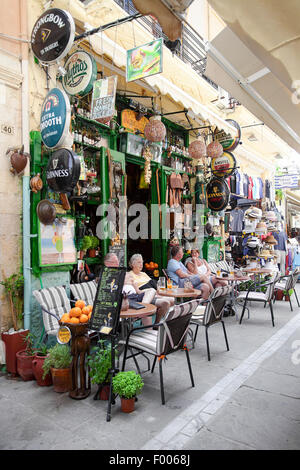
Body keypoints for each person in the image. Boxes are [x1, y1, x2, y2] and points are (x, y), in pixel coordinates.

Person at [103, 253, 156, 326]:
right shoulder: (106, 274)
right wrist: (123, 281)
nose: (118, 264)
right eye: (115, 262)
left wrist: (150, 293)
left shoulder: (126, 274)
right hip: (125, 299)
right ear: (107, 263)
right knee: (147, 313)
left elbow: (138, 291)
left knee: (152, 290)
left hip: (136, 296)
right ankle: (143, 310)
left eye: (118, 261)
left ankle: (144, 307)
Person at [128, 253, 175, 323]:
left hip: (153, 293)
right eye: (139, 262)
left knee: (172, 299)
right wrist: (151, 291)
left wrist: (158, 291)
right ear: (133, 264)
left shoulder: (144, 274)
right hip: (143, 296)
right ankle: (143, 311)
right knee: (165, 303)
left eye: (142, 262)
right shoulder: (130, 275)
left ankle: (158, 323)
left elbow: (153, 284)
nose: (141, 264)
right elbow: (136, 291)